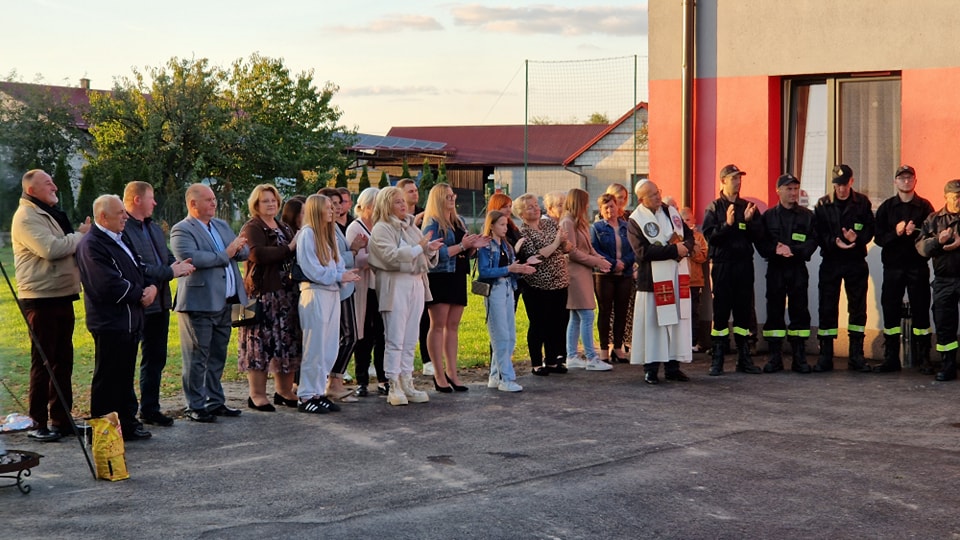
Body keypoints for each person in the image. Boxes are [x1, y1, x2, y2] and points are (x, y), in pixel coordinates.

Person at [11, 169, 90, 442]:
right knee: (43, 361)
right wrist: (80, 235)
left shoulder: (48, 213)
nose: (55, 186)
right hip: (40, 297)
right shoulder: (26, 217)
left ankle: (62, 419)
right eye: (48, 183)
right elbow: (51, 249)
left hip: (61, 294)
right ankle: (38, 423)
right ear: (32, 190)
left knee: (63, 361)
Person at [76, 195, 155, 441]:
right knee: (107, 379)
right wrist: (139, 293)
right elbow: (107, 284)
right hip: (110, 323)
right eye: (120, 212)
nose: (125, 216)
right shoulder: (92, 244)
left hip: (130, 322)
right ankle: (104, 432)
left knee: (123, 378)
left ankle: (127, 424)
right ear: (102, 217)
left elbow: (140, 267)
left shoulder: (121, 237)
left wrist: (151, 286)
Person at [171, 183, 250, 423]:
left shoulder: (221, 225)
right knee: (197, 356)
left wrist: (240, 249)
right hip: (199, 302)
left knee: (218, 355)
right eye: (208, 199)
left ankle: (215, 401)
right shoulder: (181, 230)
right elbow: (193, 258)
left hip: (226, 302)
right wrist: (227, 253)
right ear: (193, 204)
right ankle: (194, 404)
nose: (214, 203)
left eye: (214, 199)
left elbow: (241, 253)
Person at [122, 181, 195, 427]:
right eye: (151, 198)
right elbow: (136, 267)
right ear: (136, 200)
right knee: (130, 359)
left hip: (161, 302)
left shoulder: (153, 228)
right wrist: (168, 273)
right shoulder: (124, 230)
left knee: (156, 357)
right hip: (139, 303)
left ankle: (150, 408)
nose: (155, 202)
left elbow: (166, 257)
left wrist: (180, 264)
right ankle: (127, 413)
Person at [368, 187, 443, 406]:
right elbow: (390, 257)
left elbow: (421, 252)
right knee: (395, 336)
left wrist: (429, 249)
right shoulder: (381, 228)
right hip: (395, 284)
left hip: (416, 283)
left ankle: (407, 380)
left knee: (410, 336)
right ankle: (393, 383)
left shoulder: (411, 226)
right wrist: (419, 249)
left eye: (403, 201)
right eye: (397, 202)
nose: (403, 205)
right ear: (386, 205)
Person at [238, 184, 301, 412]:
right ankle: (256, 395)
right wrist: (289, 249)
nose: (271, 204)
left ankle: (284, 391)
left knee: (287, 343)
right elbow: (256, 254)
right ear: (256, 204)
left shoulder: (284, 227)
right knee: (259, 345)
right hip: (261, 295)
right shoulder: (252, 226)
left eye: (273, 200)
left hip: (287, 295)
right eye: (265, 201)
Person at [296, 194, 361, 413]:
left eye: (333, 207)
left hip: (332, 293)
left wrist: (345, 274)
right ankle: (305, 396)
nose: (332, 210)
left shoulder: (328, 234)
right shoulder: (308, 234)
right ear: (316, 210)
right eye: (328, 207)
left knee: (329, 346)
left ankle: (318, 391)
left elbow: (338, 263)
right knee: (314, 346)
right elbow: (311, 268)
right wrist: (338, 276)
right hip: (316, 293)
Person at [422, 184, 488, 392]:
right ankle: (438, 374)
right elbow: (434, 255)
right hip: (441, 277)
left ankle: (452, 372)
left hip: (458, 275)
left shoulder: (458, 221)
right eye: (448, 196)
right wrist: (462, 246)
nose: (452, 199)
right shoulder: (432, 224)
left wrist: (473, 246)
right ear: (438, 199)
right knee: (438, 325)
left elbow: (464, 250)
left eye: (453, 196)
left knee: (453, 326)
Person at [627, 180, 694, 384]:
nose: (658, 197)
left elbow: (689, 235)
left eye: (658, 192)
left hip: (676, 277)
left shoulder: (670, 212)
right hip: (653, 281)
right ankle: (652, 368)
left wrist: (687, 246)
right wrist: (675, 250)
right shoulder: (635, 220)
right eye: (653, 195)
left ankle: (673, 366)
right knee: (654, 325)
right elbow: (642, 252)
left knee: (676, 323)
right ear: (641, 199)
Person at [701, 164, 763, 376]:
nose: (738, 182)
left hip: (744, 265)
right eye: (734, 178)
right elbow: (710, 237)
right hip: (723, 265)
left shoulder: (748, 207)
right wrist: (727, 224)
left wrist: (749, 222)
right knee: (721, 313)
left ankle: (743, 357)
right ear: (723, 181)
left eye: (739, 178)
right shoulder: (714, 207)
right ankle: (718, 358)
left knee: (743, 313)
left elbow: (759, 237)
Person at [813, 164, 876, 372]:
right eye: (837, 185)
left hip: (855, 261)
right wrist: (833, 242)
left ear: (852, 181)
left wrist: (857, 239)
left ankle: (856, 355)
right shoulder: (822, 204)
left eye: (844, 184)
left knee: (857, 308)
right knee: (827, 307)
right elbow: (818, 233)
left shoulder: (863, 203)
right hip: (831, 261)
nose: (841, 189)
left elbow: (870, 229)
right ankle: (825, 356)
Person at [873, 166, 935, 373]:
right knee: (890, 313)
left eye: (910, 178)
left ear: (915, 181)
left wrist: (915, 232)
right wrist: (896, 232)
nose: (906, 181)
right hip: (893, 268)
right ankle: (891, 358)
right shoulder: (887, 208)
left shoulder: (925, 206)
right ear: (895, 182)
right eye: (902, 178)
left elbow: (931, 236)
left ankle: (923, 358)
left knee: (921, 313)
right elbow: (879, 238)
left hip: (917, 267)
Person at [756, 174, 818, 373]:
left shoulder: (807, 216)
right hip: (776, 268)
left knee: (799, 310)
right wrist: (775, 249)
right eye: (789, 189)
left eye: (795, 189)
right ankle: (775, 357)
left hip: (797, 267)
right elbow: (761, 242)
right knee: (774, 310)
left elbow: (812, 241)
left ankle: (799, 357)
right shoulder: (768, 216)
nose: (793, 193)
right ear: (778, 191)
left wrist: (795, 251)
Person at [478, 211, 537, 391]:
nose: (505, 228)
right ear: (492, 225)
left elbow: (511, 268)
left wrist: (521, 269)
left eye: (506, 224)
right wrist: (508, 268)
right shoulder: (486, 246)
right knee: (500, 335)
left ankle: (495, 375)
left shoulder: (507, 246)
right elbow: (484, 271)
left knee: (510, 335)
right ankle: (506, 377)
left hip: (508, 289)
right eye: (501, 225)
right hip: (494, 290)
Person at [513, 193, 569, 377]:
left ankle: (553, 359)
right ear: (521, 213)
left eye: (536, 205)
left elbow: (563, 246)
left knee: (558, 323)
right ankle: (537, 362)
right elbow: (537, 255)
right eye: (530, 207)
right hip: (537, 285)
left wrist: (564, 243)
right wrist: (556, 243)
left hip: (560, 282)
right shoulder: (523, 232)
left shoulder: (550, 223)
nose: (536, 208)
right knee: (539, 324)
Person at [561, 188, 613, 371]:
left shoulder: (579, 222)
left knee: (576, 316)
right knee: (587, 315)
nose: (588, 205)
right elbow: (572, 252)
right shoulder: (567, 222)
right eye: (585, 202)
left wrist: (602, 260)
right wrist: (596, 261)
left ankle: (572, 355)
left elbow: (589, 248)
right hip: (575, 274)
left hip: (584, 272)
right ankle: (591, 357)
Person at [915, 179, 960, 382]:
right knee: (944, 324)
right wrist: (938, 241)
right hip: (944, 280)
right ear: (946, 197)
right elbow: (921, 249)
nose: (959, 200)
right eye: (955, 197)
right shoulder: (933, 220)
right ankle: (948, 365)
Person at [348, 188, 388, 397]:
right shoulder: (355, 228)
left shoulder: (382, 227)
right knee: (363, 333)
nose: (376, 209)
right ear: (364, 206)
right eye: (373, 205)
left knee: (382, 333)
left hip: (380, 287)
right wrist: (376, 256)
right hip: (362, 288)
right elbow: (352, 258)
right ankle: (361, 379)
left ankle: (383, 378)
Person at [591, 193, 635, 363]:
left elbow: (634, 249)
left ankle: (618, 347)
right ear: (601, 211)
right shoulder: (596, 228)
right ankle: (603, 349)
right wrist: (612, 263)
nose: (610, 210)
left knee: (622, 311)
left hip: (625, 274)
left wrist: (624, 262)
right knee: (605, 311)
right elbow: (594, 249)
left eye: (612, 206)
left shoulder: (627, 227)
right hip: (604, 275)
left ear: (618, 207)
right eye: (606, 207)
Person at [398, 178, 434, 378]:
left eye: (415, 190)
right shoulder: (392, 224)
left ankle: (425, 361)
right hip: (400, 279)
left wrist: (429, 248)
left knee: (421, 322)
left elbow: (424, 247)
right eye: (409, 191)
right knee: (397, 330)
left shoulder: (423, 215)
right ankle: (395, 376)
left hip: (420, 277)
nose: (414, 194)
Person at [604, 183, 635, 362]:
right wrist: (614, 263)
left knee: (627, 308)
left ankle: (624, 342)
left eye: (624, 197)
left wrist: (630, 264)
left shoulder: (630, 217)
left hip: (629, 269)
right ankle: (609, 345)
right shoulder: (602, 219)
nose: (622, 201)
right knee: (610, 310)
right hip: (609, 271)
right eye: (618, 198)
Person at [680, 207, 708, 355]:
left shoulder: (699, 237)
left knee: (693, 311)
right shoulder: (677, 237)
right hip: (680, 281)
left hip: (695, 281)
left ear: (694, 220)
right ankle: (681, 341)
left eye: (688, 220)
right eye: (683, 220)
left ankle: (693, 341)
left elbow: (703, 256)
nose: (686, 222)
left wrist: (690, 251)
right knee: (681, 312)